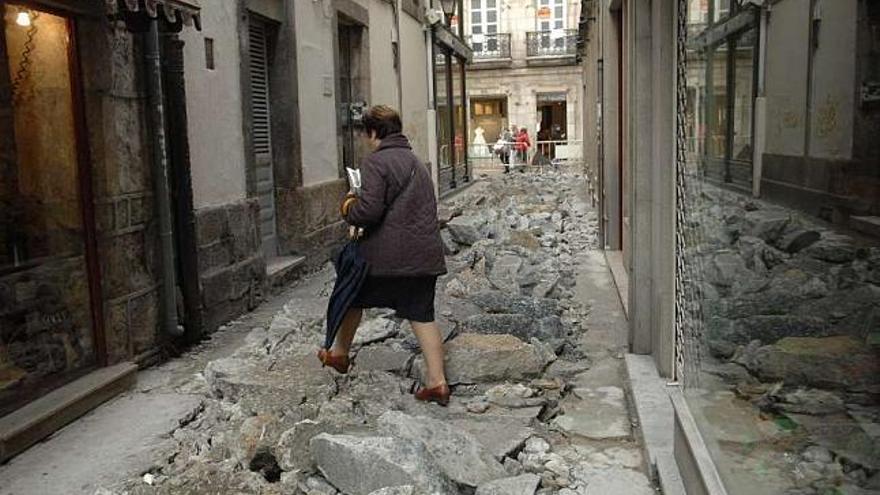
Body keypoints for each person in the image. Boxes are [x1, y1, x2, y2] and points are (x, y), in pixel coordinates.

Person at [320, 105, 451, 405]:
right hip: (424, 257)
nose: (365, 139)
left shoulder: (376, 163)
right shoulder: (416, 162)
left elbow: (368, 212)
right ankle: (438, 382)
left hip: (387, 259)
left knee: (352, 294)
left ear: (374, 132)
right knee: (422, 314)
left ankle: (339, 354)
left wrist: (348, 206)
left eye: (366, 133)